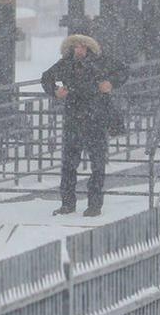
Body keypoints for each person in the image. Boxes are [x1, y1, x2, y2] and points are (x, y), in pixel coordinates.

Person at [40, 34, 128, 217]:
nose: (79, 50)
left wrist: (111, 83)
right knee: (69, 164)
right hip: (74, 118)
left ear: (89, 47)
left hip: (95, 118)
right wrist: (55, 91)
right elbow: (46, 77)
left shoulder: (101, 61)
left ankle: (94, 205)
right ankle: (67, 204)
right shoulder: (65, 64)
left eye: (82, 46)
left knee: (97, 164)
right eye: (76, 46)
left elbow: (123, 70)